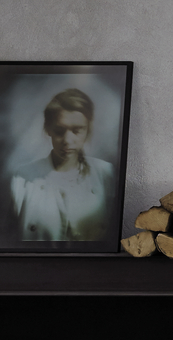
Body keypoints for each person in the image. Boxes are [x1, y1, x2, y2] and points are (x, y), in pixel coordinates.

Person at [8, 88, 113, 241]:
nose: (67, 140)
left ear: (87, 130)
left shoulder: (106, 174)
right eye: (59, 131)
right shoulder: (22, 179)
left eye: (77, 131)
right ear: (48, 129)